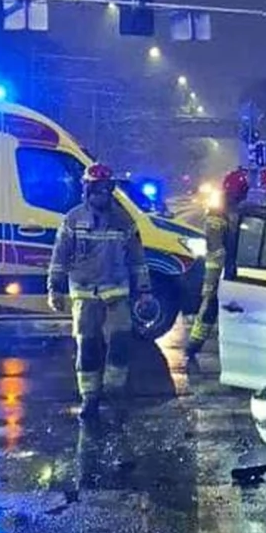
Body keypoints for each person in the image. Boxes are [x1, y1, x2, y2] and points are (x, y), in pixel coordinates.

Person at [47, 163, 154, 421]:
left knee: (120, 345)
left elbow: (137, 259)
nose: (101, 194)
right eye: (96, 189)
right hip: (84, 295)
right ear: (87, 189)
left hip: (117, 295)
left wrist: (144, 291)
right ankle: (90, 398)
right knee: (88, 348)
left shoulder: (124, 221)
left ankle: (115, 392)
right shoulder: (73, 220)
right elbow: (59, 257)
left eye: (105, 189)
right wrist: (55, 288)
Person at [185, 169, 249, 362]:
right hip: (220, 271)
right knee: (210, 308)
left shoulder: (236, 210)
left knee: (227, 311)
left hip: (234, 268)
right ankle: (192, 348)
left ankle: (196, 348)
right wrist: (210, 284)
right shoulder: (218, 213)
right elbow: (216, 253)